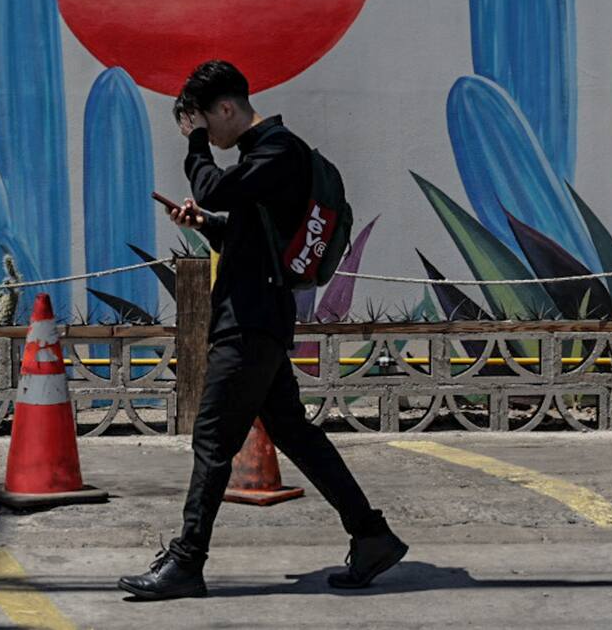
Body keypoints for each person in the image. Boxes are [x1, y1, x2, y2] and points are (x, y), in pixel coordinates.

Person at [118, 60, 407, 600]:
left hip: (249, 323)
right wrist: (205, 225)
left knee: (211, 438)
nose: (207, 134)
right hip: (258, 316)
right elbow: (246, 233)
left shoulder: (277, 151)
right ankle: (372, 535)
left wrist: (195, 147)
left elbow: (215, 188)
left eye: (206, 121)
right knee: (294, 432)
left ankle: (186, 562)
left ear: (226, 108)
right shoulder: (266, 159)